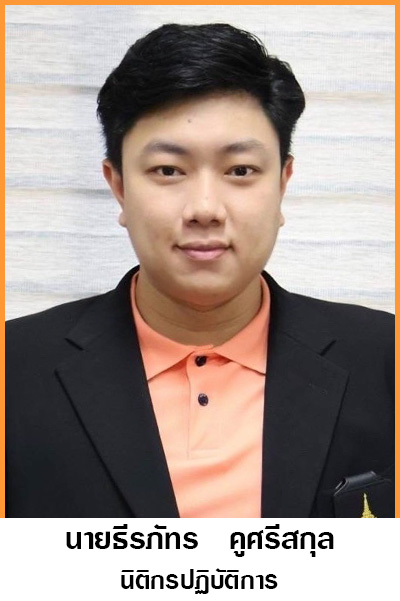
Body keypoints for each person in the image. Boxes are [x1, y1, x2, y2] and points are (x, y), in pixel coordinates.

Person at [6, 23, 394, 518]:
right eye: (168, 170)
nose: (205, 209)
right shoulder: (14, 372)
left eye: (240, 171)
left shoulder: (385, 359)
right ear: (119, 186)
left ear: (282, 183)